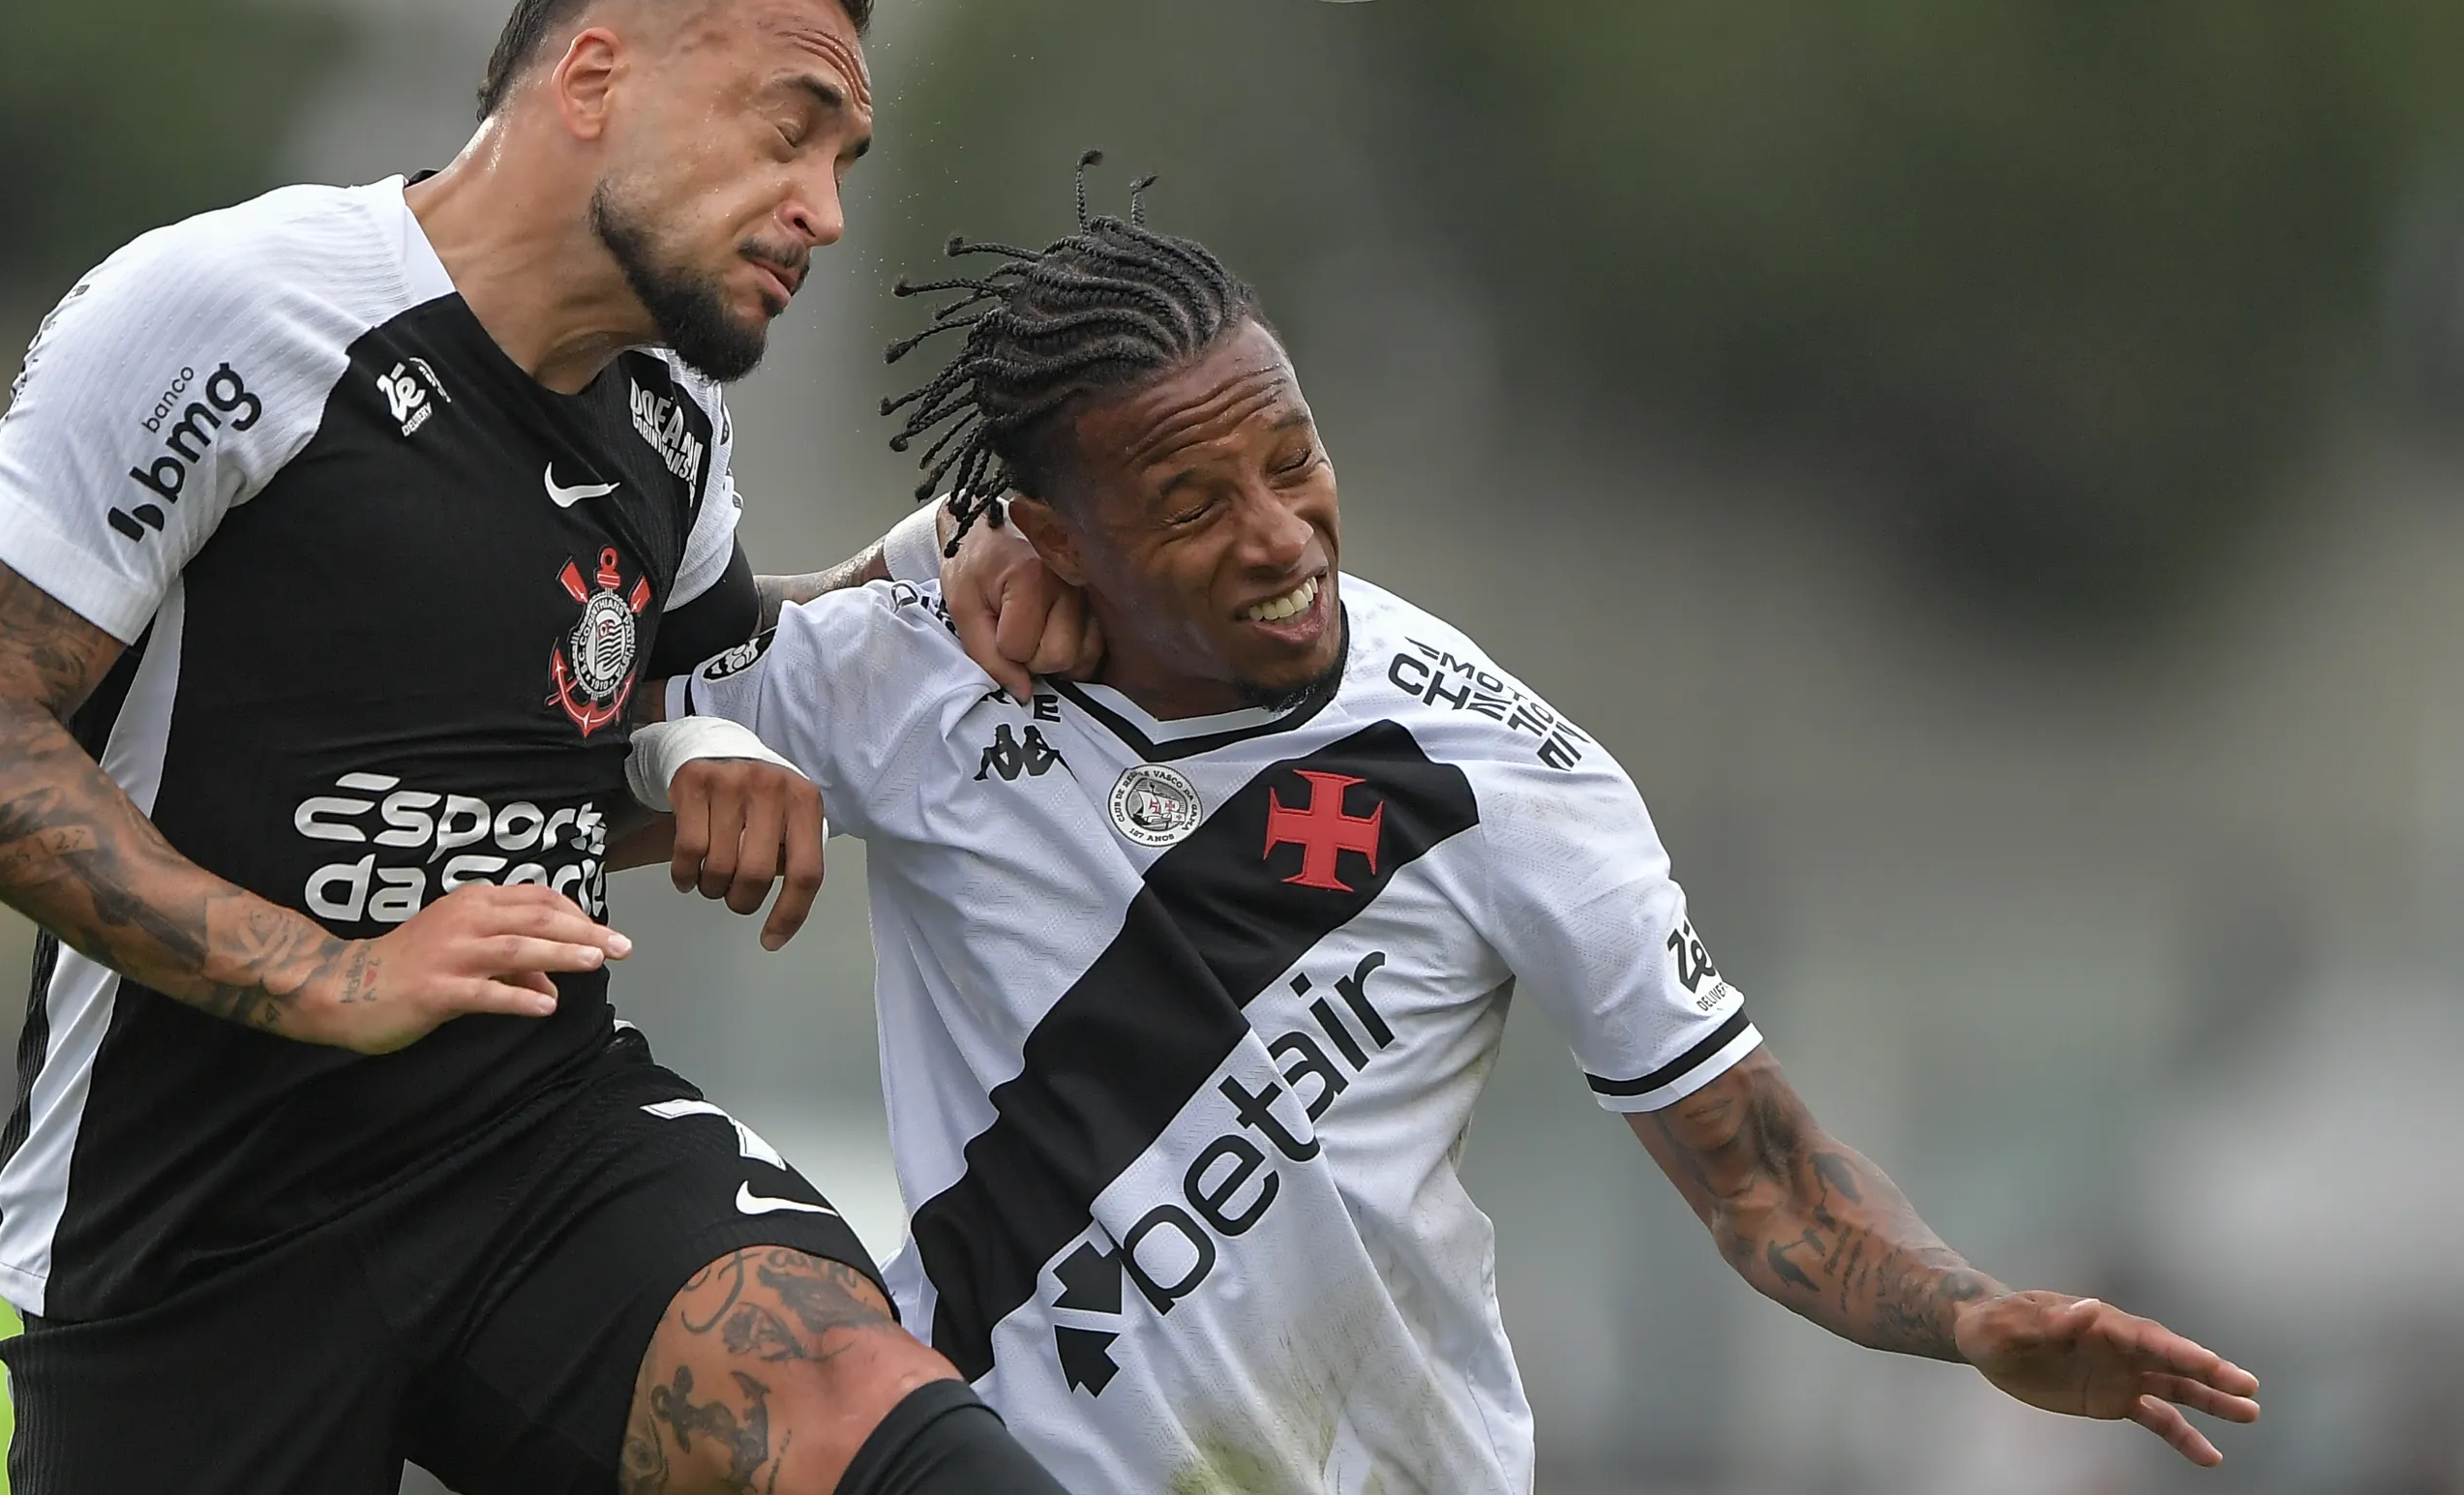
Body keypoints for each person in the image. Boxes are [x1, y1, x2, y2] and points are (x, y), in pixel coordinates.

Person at [643, 164, 2264, 1493]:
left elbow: (1765, 1182)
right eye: (1196, 508)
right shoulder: (924, 682)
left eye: (1298, 461)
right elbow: (574, 707)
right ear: (1055, 536)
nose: (1284, 537)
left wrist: (1974, 1319)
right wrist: (874, 587)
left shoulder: (1492, 764)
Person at [0, 0, 1080, 1495]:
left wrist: (920, 571)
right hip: (203, 1229)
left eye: (845, 162)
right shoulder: (231, 310)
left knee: (885, 1430)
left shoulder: (669, 423)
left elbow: (667, 692)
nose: (825, 211)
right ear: (593, 82)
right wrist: (330, 976)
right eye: (792, 133)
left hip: (540, 1146)